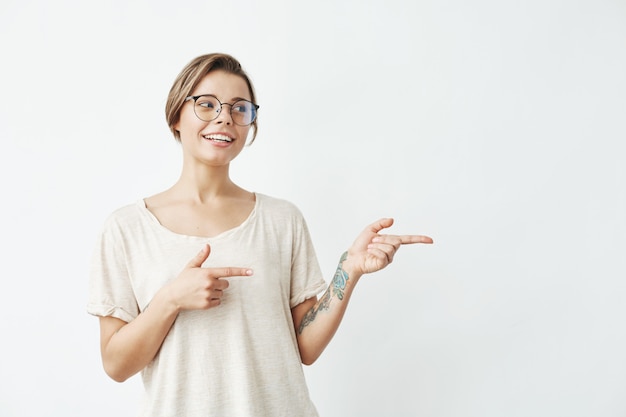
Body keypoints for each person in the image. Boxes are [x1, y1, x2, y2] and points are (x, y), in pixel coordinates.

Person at [87, 52, 433, 417]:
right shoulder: (127, 228)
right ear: (176, 117)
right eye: (206, 104)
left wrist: (348, 271)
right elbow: (116, 364)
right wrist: (171, 299)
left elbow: (306, 348)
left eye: (240, 108)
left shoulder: (282, 219)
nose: (224, 117)